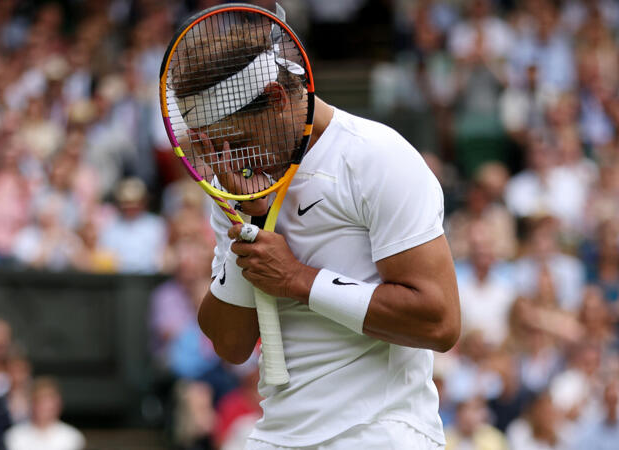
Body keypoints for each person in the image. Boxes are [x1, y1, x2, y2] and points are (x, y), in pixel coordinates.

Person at [185, 10, 460, 449]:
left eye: (238, 142)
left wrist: (297, 279)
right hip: (277, 435)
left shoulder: (376, 156)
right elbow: (231, 344)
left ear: (277, 98)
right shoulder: (238, 179)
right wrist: (250, 222)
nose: (228, 161)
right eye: (215, 148)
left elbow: (440, 321)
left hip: (381, 432)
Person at [4, 378, 85, 450]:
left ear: (58, 405)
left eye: (49, 403)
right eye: (40, 402)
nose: (44, 407)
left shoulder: (72, 437)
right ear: (31, 404)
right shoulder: (14, 436)